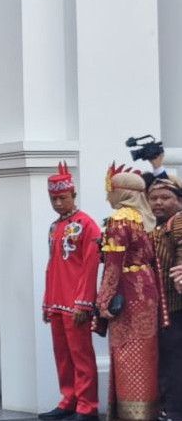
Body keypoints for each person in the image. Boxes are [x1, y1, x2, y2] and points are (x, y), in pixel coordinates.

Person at [97, 164, 165, 421]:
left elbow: (113, 265)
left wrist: (103, 300)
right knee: (146, 351)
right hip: (146, 289)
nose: (108, 196)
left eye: (110, 190)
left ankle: (131, 415)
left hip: (127, 288)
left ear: (121, 193)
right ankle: (147, 412)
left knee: (127, 351)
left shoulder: (120, 218)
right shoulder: (145, 218)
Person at [36, 162, 101, 421]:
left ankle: (88, 406)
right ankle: (68, 400)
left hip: (76, 303)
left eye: (62, 198)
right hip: (56, 302)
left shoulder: (88, 225)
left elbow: (90, 266)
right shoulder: (54, 227)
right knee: (62, 356)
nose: (58, 203)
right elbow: (51, 266)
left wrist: (84, 302)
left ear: (74, 195)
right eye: (53, 199)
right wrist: (46, 301)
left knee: (81, 356)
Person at [145, 175, 182, 420]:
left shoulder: (178, 222)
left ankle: (175, 410)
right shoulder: (156, 226)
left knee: (173, 360)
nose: (158, 202)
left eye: (165, 197)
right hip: (162, 309)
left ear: (179, 201)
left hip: (176, 307)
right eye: (153, 198)